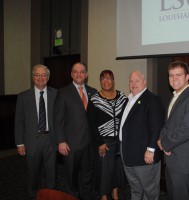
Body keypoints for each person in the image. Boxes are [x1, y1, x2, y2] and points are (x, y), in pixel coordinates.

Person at [157, 61, 189, 200]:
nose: (174, 78)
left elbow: (186, 129)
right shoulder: (174, 96)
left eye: (178, 75)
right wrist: (161, 140)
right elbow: (167, 124)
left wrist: (165, 144)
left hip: (182, 161)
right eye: (171, 75)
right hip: (171, 159)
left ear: (187, 77)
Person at [54, 62, 97, 200]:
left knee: (87, 175)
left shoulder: (93, 92)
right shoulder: (63, 92)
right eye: (76, 71)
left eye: (82, 71)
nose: (79, 74)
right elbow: (58, 119)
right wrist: (61, 141)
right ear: (72, 74)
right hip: (71, 144)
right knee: (70, 177)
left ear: (86, 74)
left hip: (89, 144)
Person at [119, 70, 165, 200]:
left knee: (150, 192)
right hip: (128, 154)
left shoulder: (152, 99)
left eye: (137, 81)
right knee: (136, 189)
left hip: (144, 156)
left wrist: (151, 149)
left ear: (144, 82)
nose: (133, 84)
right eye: (131, 81)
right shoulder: (128, 100)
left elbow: (157, 126)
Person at [14, 64, 57, 200]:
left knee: (52, 174)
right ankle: (33, 197)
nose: (40, 78)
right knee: (33, 175)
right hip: (32, 141)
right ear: (33, 77)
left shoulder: (56, 94)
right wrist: (20, 143)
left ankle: (51, 196)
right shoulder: (23, 96)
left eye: (44, 75)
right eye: (37, 75)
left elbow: (61, 119)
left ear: (48, 77)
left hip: (51, 140)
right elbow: (19, 122)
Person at [87, 70, 127, 200]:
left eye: (109, 78)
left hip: (119, 140)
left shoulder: (122, 97)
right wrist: (100, 142)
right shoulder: (95, 99)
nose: (106, 81)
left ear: (113, 80)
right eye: (103, 78)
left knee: (116, 168)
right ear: (100, 81)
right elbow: (91, 124)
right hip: (104, 141)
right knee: (105, 169)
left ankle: (114, 193)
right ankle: (104, 195)